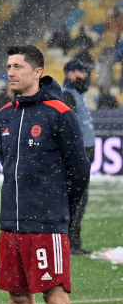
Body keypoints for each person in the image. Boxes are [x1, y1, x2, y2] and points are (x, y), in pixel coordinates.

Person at [0, 46, 89, 304]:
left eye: (18, 67)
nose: (11, 72)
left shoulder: (59, 113)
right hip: (11, 223)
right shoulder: (3, 116)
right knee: (18, 299)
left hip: (45, 223)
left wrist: (56, 209)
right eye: (8, 65)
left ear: (37, 71)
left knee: (54, 296)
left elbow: (80, 170)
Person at [60, 59, 95, 256]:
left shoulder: (75, 95)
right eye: (82, 72)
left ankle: (74, 243)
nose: (86, 76)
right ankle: (71, 244)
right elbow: (69, 130)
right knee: (76, 202)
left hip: (81, 158)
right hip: (76, 159)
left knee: (80, 201)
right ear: (71, 74)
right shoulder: (67, 95)